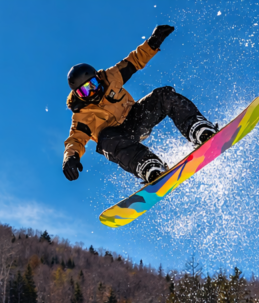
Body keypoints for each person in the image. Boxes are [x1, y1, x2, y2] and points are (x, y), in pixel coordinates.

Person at [62, 25, 218, 184]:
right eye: (84, 92)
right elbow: (75, 140)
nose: (92, 92)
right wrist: (70, 158)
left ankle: (197, 128)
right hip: (117, 139)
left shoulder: (111, 76)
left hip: (136, 119)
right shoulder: (81, 115)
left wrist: (153, 43)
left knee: (163, 95)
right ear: (77, 95)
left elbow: (134, 60)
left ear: (97, 78)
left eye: (93, 85)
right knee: (105, 139)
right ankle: (147, 165)